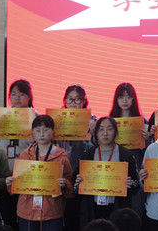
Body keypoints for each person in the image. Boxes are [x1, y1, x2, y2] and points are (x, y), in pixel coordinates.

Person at [6, 114, 73, 231]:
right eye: (38, 130)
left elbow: (70, 183)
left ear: (53, 131)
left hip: (51, 211)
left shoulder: (61, 156)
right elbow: (15, 184)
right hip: (27, 210)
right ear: (32, 133)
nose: (41, 134)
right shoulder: (25, 155)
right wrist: (10, 183)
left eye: (46, 130)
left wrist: (65, 184)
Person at [74, 117, 140, 224]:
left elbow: (136, 185)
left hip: (117, 208)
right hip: (92, 207)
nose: (105, 133)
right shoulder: (88, 155)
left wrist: (130, 184)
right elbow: (75, 184)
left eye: (109, 129)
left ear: (115, 132)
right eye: (101, 129)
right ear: (96, 133)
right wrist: (78, 182)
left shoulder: (125, 155)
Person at [0, 79, 39, 230]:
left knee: (26, 218)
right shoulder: (2, 117)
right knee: (7, 217)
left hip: (27, 175)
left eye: (21, 94)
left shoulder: (36, 119)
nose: (17, 98)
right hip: (5, 173)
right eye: (13, 94)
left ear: (29, 96)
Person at [55, 84, 96, 231]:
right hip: (61, 174)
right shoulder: (57, 119)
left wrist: (94, 132)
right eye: (70, 99)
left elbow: (97, 149)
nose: (73, 103)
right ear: (65, 101)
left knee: (80, 215)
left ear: (84, 102)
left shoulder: (92, 121)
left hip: (83, 176)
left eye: (77, 99)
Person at [109, 82, 148, 220]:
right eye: (121, 97)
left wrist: (147, 139)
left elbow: (148, 150)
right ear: (116, 99)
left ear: (133, 99)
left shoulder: (142, 122)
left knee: (136, 203)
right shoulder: (110, 121)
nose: (124, 100)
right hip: (115, 165)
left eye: (128, 97)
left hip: (136, 163)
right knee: (116, 204)